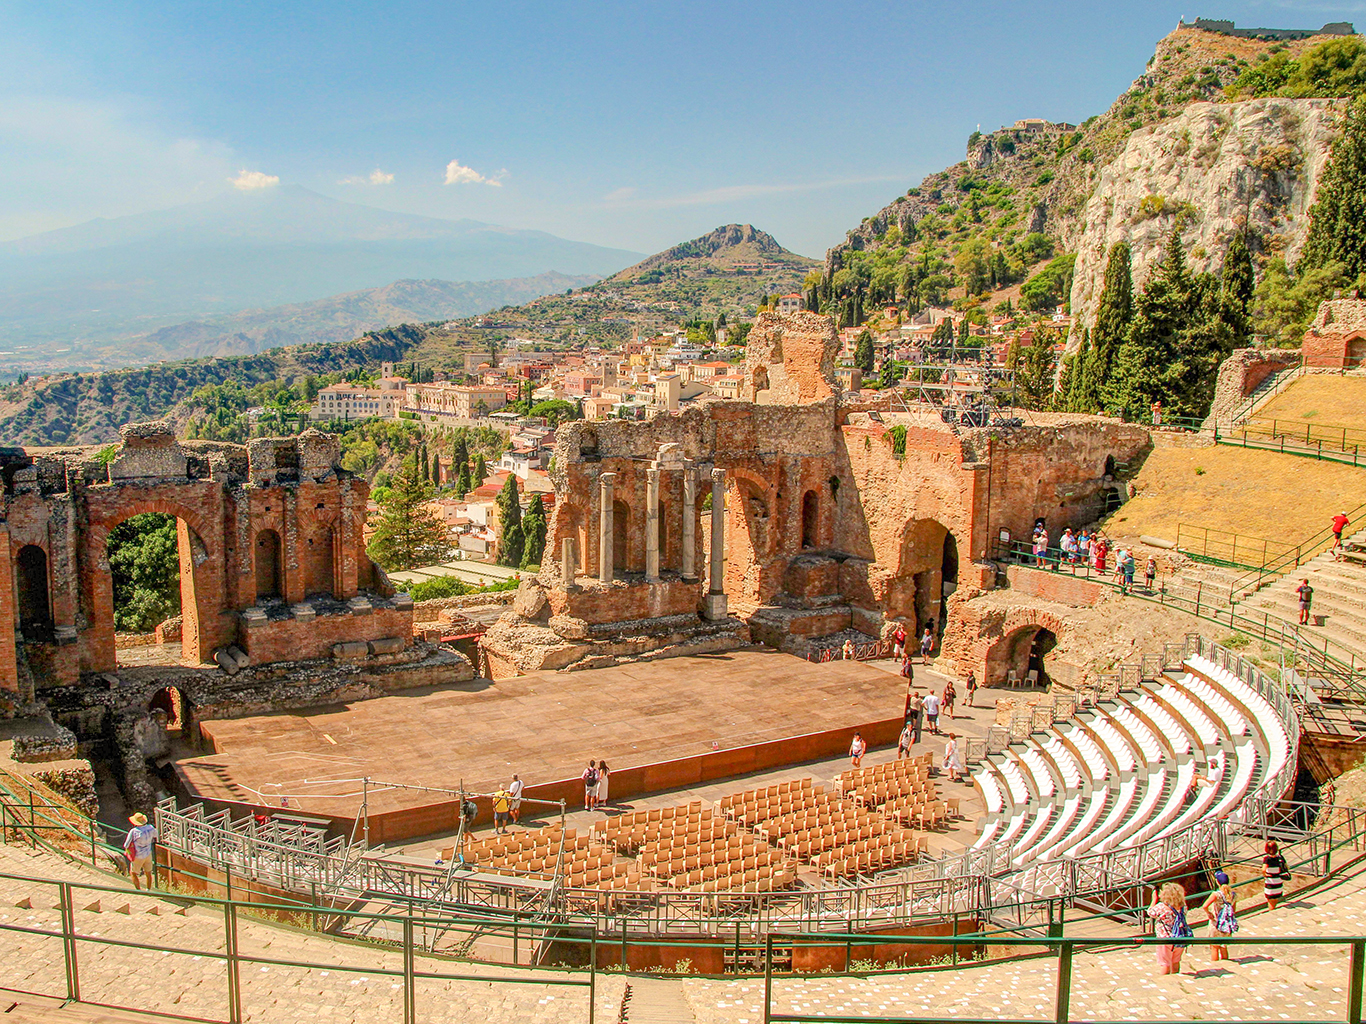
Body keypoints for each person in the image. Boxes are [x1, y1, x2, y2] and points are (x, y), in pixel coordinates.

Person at [1147, 882, 1191, 975]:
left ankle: (1166, 981)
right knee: (1175, 962)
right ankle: (1176, 976)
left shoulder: (1162, 907)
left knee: (1165, 964)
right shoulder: (1183, 907)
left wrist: (1154, 899)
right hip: (1179, 937)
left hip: (1165, 938)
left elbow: (1150, 912)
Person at [1203, 870, 1238, 962]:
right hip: (1227, 924)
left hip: (1216, 923)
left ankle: (1216, 965)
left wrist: (1209, 913)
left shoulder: (1216, 894)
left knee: (1214, 946)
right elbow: (1233, 910)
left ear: (1218, 882)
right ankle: (1226, 962)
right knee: (1223, 946)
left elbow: (1205, 905)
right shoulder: (1232, 895)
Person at [123, 812, 157, 891]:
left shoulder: (134, 831)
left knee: (133, 873)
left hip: (138, 856)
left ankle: (138, 890)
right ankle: (148, 889)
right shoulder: (150, 828)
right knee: (148, 873)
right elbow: (156, 835)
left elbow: (126, 845)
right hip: (148, 854)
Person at [1264, 839, 1286, 909]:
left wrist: (1265, 875)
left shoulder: (1267, 859)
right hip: (1278, 881)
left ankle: (1272, 912)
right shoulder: (1280, 857)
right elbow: (1286, 867)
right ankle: (1274, 909)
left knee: (1270, 900)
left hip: (1271, 882)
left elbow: (1263, 869)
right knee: (1275, 898)